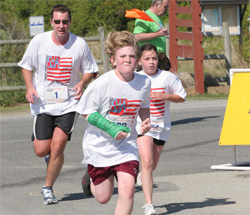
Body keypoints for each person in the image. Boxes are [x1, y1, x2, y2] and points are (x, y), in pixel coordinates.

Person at [18, 4, 98, 205]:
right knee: (41, 150)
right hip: (43, 103)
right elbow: (26, 67)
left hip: (69, 103)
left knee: (58, 146)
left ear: (70, 22)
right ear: (52, 22)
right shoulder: (39, 41)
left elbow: (91, 70)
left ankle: (47, 188)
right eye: (57, 22)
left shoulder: (79, 44)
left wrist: (81, 82)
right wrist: (29, 88)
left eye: (65, 21)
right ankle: (46, 152)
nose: (61, 26)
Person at [76, 31, 151, 215]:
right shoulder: (102, 83)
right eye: (123, 56)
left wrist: (146, 120)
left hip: (127, 146)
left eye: (132, 56)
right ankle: (89, 181)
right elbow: (86, 111)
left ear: (138, 60)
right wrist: (110, 128)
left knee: (128, 189)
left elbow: (143, 105)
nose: (128, 60)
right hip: (100, 146)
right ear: (113, 60)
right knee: (103, 197)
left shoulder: (144, 82)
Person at [136, 44, 186, 215]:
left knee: (151, 166)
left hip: (162, 127)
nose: (151, 62)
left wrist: (165, 96)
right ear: (139, 61)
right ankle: (149, 205)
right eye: (147, 59)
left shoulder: (167, 77)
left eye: (154, 58)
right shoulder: (136, 77)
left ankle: (142, 175)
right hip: (142, 127)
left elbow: (182, 97)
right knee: (147, 162)